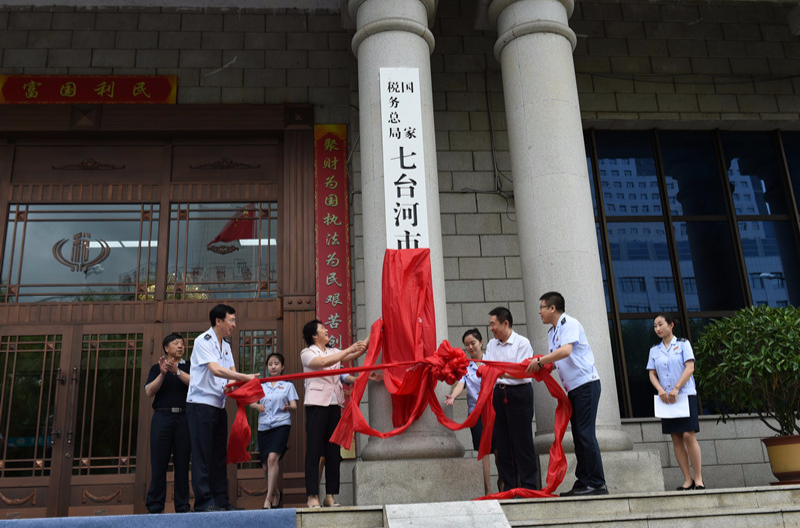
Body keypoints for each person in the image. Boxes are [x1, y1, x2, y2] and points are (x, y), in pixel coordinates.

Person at [527, 291, 607, 496]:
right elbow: (557, 360)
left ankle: (597, 483)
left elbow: (566, 351)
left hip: (586, 385)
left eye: (542, 308)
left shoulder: (568, 323)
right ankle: (584, 480)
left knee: (585, 434)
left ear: (552, 308)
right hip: (574, 388)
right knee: (580, 436)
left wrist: (540, 361)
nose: (539, 312)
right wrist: (544, 367)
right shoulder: (552, 332)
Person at [186, 304, 258, 512]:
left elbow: (231, 372)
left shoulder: (225, 345)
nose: (234, 325)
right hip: (200, 405)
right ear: (219, 321)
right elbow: (216, 370)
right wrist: (245, 378)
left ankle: (221, 501)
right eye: (231, 321)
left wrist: (240, 385)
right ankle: (204, 502)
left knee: (219, 455)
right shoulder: (203, 341)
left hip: (218, 405)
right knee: (202, 455)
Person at [300, 319, 367, 508]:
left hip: (334, 404)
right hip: (316, 405)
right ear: (314, 335)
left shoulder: (334, 351)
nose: (326, 330)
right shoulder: (307, 352)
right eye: (322, 328)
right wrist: (347, 351)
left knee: (333, 453)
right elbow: (322, 362)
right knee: (314, 452)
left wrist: (374, 332)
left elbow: (357, 351)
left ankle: (329, 495)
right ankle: (312, 495)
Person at [647, 314, 704, 491]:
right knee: (676, 437)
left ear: (671, 325)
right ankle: (687, 480)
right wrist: (660, 390)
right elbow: (651, 373)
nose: (658, 328)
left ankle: (699, 478)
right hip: (667, 399)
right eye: (655, 326)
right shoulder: (654, 350)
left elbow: (690, 368)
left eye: (661, 324)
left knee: (689, 434)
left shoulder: (683, 344)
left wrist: (677, 387)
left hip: (685, 395)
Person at [483, 307, 538, 490]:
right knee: (503, 443)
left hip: (519, 393)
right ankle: (510, 487)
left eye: (493, 324)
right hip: (498, 394)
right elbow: (489, 368)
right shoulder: (491, 345)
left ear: (505, 323)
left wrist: (499, 371)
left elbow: (522, 371)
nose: (491, 328)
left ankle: (529, 486)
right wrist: (502, 372)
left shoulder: (522, 343)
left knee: (522, 441)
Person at [144, 333, 191, 513]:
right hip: (161, 418)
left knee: (182, 463)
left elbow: (196, 384)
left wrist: (177, 372)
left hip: (184, 418)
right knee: (159, 463)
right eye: (175, 343)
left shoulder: (189, 366)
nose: (180, 346)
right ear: (166, 348)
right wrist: (163, 374)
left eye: (182, 343)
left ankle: (182, 506)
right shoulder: (156, 368)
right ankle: (155, 506)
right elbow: (149, 392)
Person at [444, 328, 493, 495]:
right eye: (467, 345)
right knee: (483, 450)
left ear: (481, 343)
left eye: (473, 343)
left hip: (493, 411)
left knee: (499, 448)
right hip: (476, 413)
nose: (470, 347)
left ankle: (503, 482)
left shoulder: (492, 361)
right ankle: (488, 488)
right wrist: (453, 397)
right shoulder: (465, 366)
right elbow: (460, 384)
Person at [249, 352, 298, 509]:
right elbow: (250, 402)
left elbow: (295, 406)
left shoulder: (288, 385)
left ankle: (268, 499)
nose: (273, 366)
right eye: (270, 364)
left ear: (282, 366)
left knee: (272, 459)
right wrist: (256, 406)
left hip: (281, 424)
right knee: (265, 465)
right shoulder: (261, 384)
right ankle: (277, 492)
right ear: (267, 367)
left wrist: (288, 407)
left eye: (276, 363)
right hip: (264, 426)